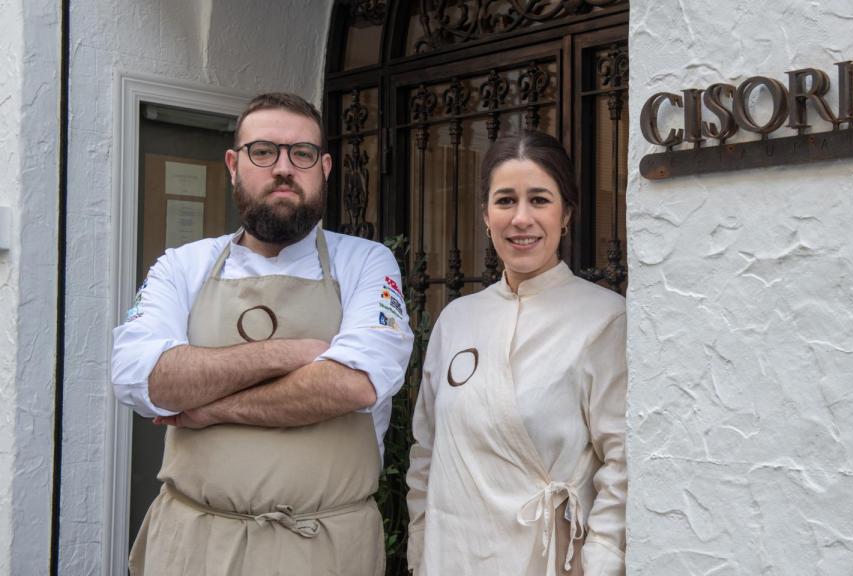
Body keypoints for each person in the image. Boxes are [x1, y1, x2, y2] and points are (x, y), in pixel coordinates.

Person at [111, 92, 412, 576]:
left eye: (302, 154)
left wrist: (211, 407)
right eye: (263, 151)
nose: (284, 168)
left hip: (325, 549)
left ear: (325, 167)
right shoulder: (182, 265)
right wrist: (294, 353)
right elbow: (144, 379)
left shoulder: (367, 263)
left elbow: (354, 383)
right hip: (193, 546)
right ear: (233, 164)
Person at [406, 131, 627, 575]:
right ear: (486, 215)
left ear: (566, 214)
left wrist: (602, 562)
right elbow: (427, 451)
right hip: (453, 555)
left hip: (546, 559)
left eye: (540, 200)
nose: (521, 218)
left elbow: (623, 461)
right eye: (505, 200)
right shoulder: (457, 319)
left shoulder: (605, 319)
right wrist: (420, 547)